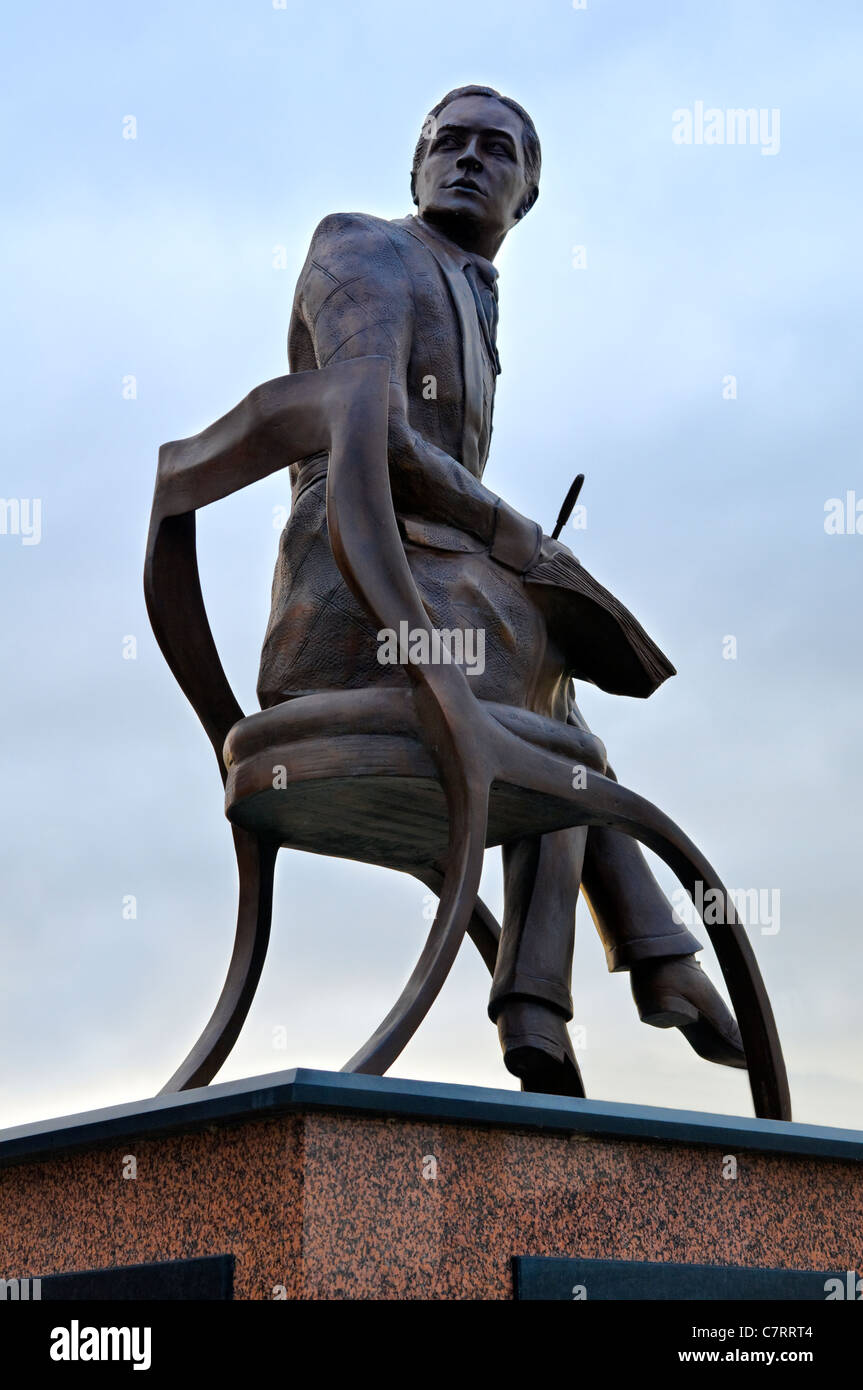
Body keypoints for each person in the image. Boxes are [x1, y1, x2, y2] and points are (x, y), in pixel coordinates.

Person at [258, 84, 745, 1095]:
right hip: (355, 601)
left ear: (525, 197)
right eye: (448, 143)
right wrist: (518, 538)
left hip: (440, 598)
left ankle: (627, 974)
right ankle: (603, 980)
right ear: (414, 167)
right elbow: (370, 435)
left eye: (496, 151)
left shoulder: (473, 295)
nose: (467, 160)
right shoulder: (361, 246)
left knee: (561, 724)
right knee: (563, 737)